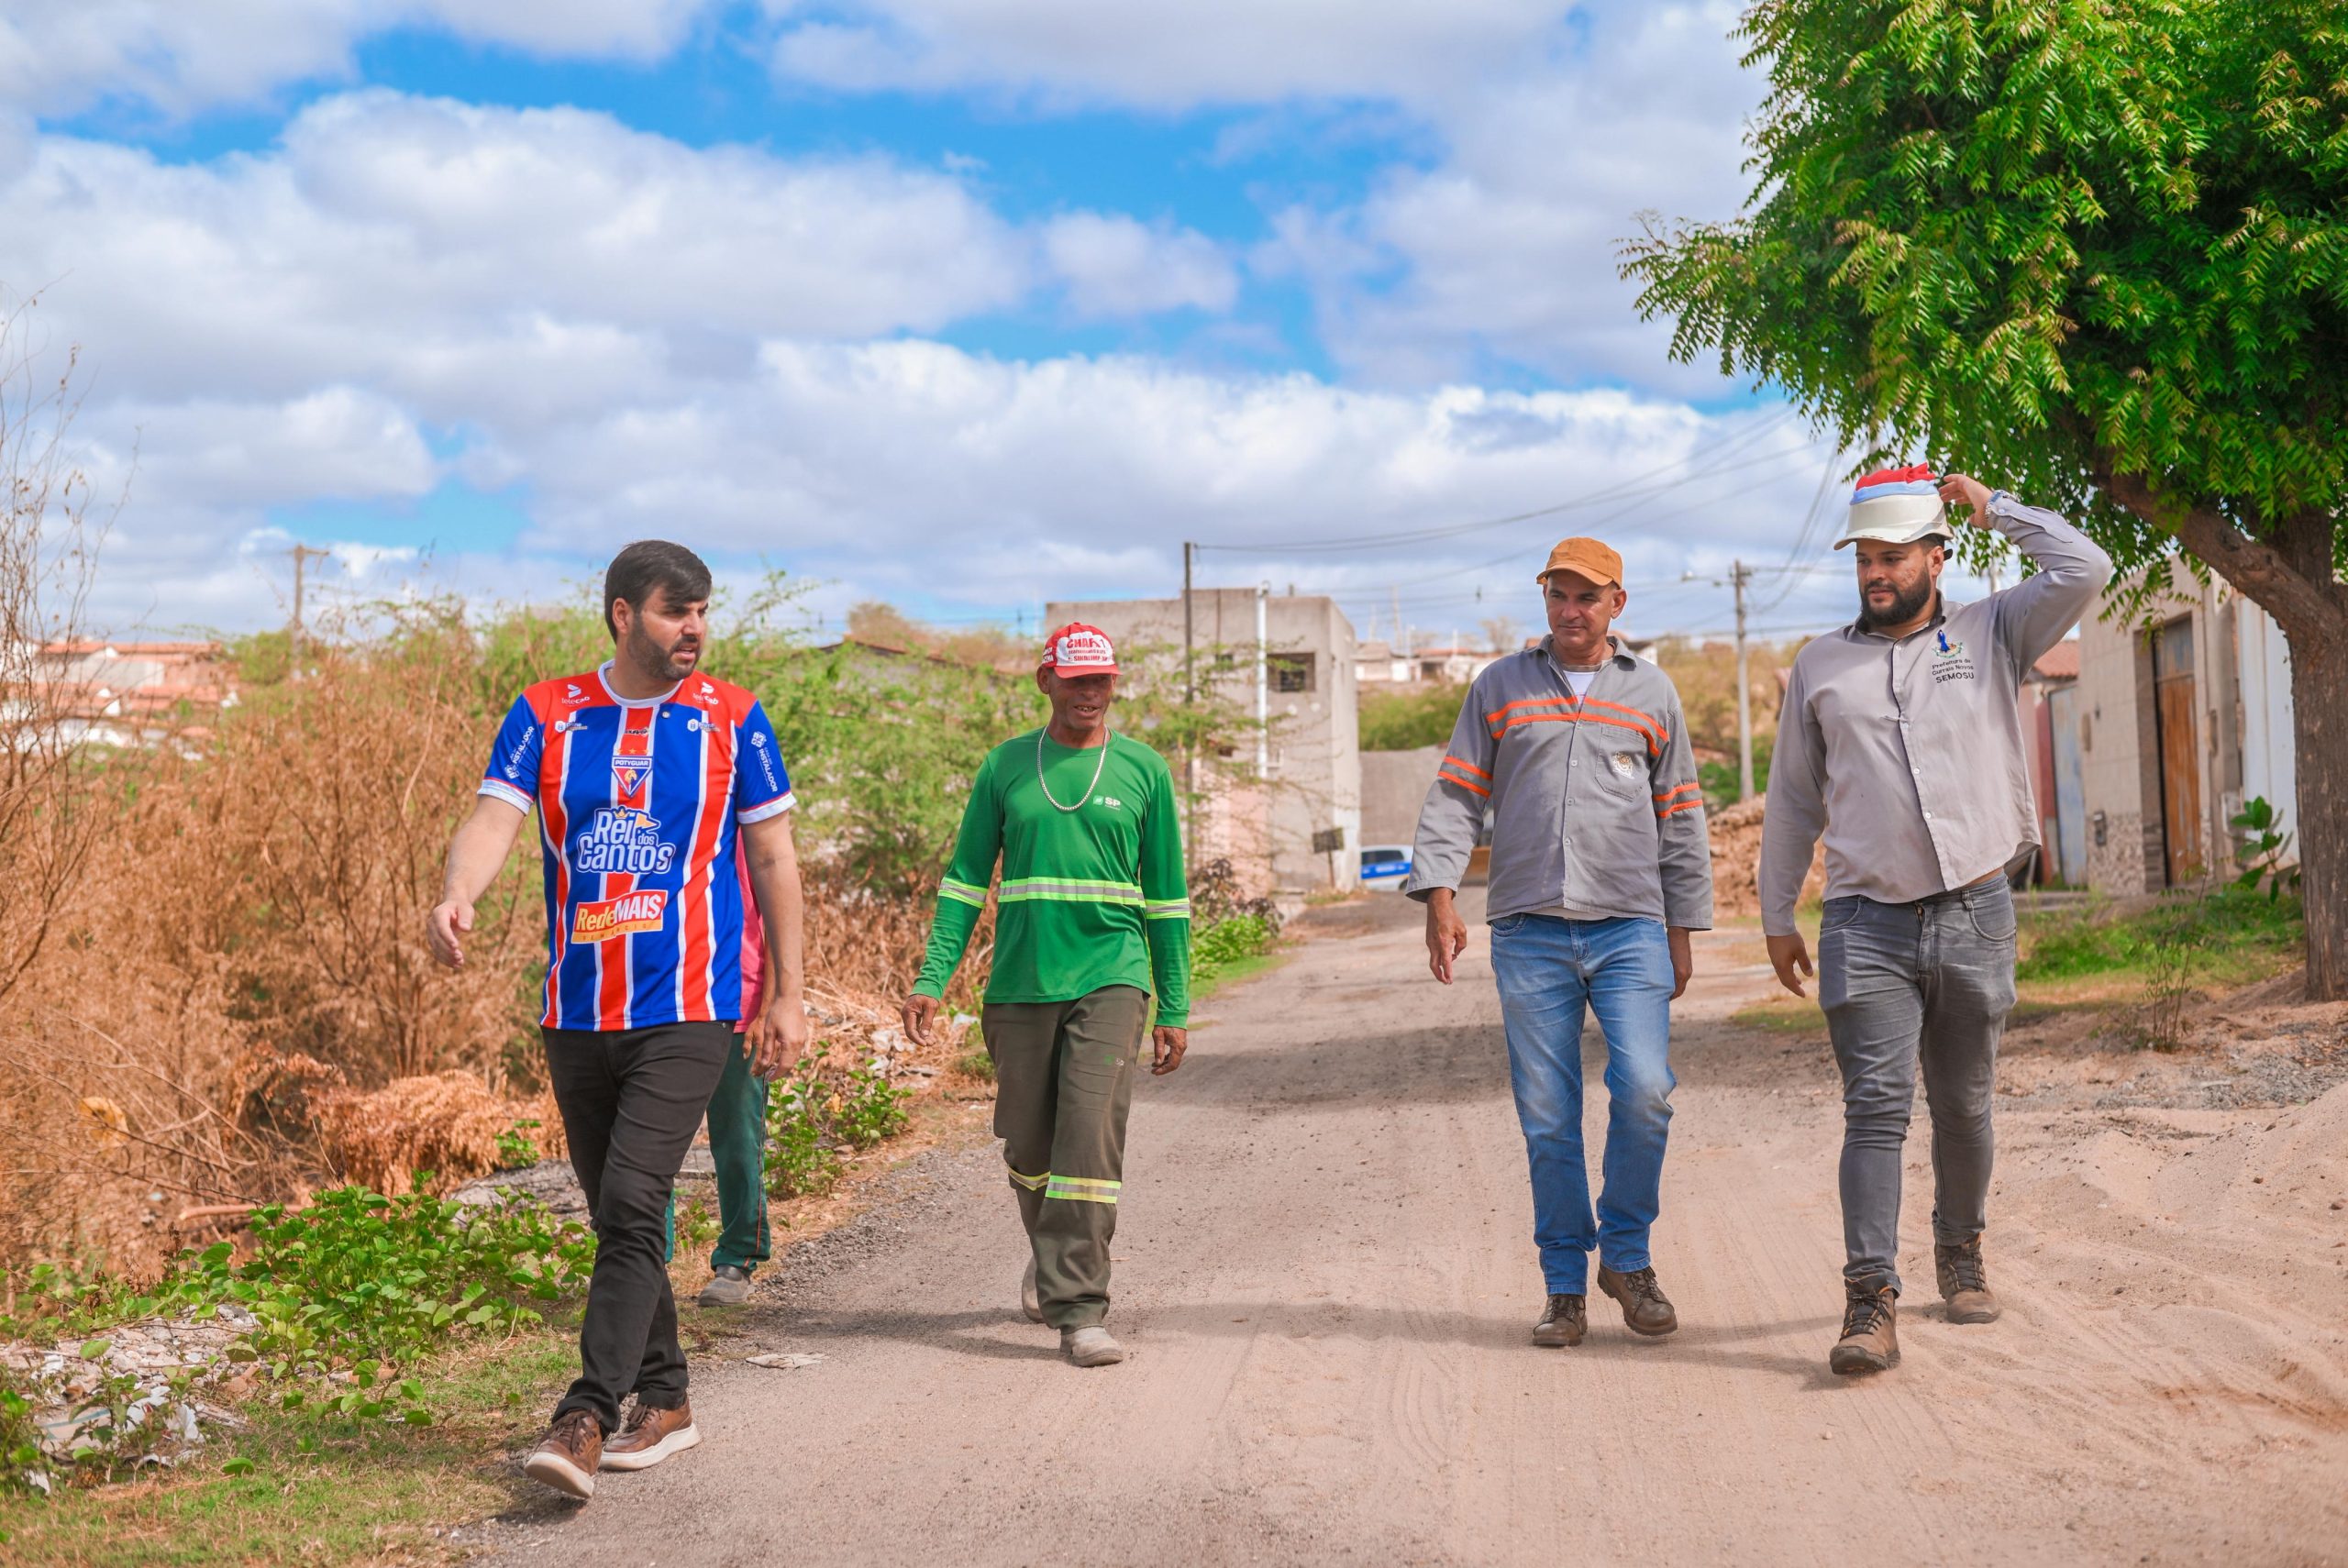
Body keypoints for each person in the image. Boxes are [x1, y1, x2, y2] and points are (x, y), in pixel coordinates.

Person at [426, 541, 809, 1498]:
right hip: (575, 1008)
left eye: (703, 612)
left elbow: (774, 861)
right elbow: (492, 818)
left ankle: (586, 1413)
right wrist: (456, 892)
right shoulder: (547, 713)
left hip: (691, 1005)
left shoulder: (732, 719)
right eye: (676, 611)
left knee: (635, 1201)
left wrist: (788, 993)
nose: (695, 630)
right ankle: (669, 1399)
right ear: (621, 615)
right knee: (617, 1214)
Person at [1759, 468, 2111, 1375]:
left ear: (1934, 556)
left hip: (1974, 910)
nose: (1875, 574)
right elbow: (1794, 800)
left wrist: (1993, 506)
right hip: (1862, 923)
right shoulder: (1818, 665)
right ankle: (1869, 1300)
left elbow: (2085, 565)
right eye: (1864, 560)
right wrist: (1774, 911)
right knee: (1875, 1110)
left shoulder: (1993, 630)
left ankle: (1959, 1251)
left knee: (1961, 1103)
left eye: (1891, 557)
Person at [1407, 537, 1713, 1349]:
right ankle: (1563, 1286)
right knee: (1548, 1118)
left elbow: (1680, 816)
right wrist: (1440, 897)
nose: (1570, 611)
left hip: (1629, 928)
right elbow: (1456, 796)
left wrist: (1683, 929)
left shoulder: (1651, 692)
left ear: (1618, 603)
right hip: (1530, 932)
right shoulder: (1500, 686)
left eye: (1587, 596)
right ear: (1545, 599)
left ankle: (1627, 1255)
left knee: (1645, 1091)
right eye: (1558, 595)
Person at [900, 623, 1191, 1369]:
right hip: (1022, 982)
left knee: (1088, 1141)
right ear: (1047, 681)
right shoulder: (1005, 768)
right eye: (1078, 680)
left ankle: (1081, 1308)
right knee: (1029, 1145)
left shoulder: (1143, 771)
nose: (1092, 694)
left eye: (1104, 682)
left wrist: (1176, 1004)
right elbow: (965, 880)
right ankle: (1052, 1253)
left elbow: (1168, 899)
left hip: (1113, 976)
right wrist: (933, 975)